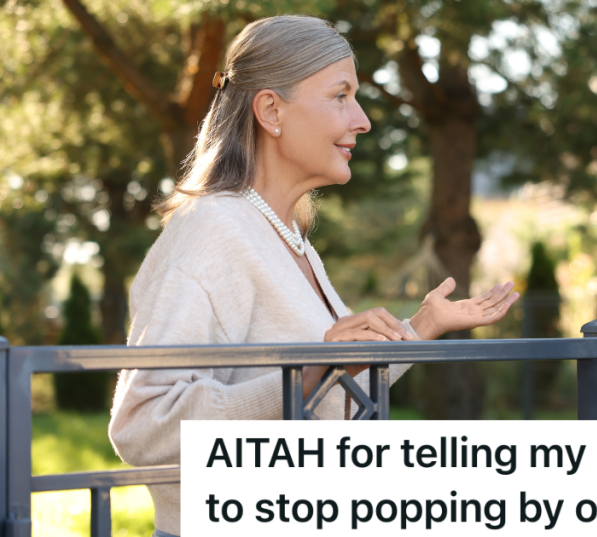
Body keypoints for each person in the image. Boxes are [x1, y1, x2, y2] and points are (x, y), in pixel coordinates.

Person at [108, 16, 519, 537]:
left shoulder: (289, 238)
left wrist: (420, 328)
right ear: (271, 111)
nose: (363, 120)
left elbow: (328, 392)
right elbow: (142, 425)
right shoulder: (212, 229)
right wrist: (304, 371)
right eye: (341, 96)